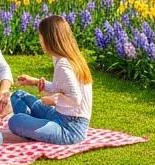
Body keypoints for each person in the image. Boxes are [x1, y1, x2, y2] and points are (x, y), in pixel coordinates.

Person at [7, 15, 92, 144]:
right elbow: (63, 87)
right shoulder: (64, 58)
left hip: (70, 128)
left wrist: (53, 100)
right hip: (59, 116)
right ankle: (35, 127)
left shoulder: (64, 65)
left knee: (15, 121)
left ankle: (32, 127)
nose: (39, 40)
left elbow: (75, 98)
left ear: (48, 39)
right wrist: (36, 82)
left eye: (40, 36)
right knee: (18, 96)